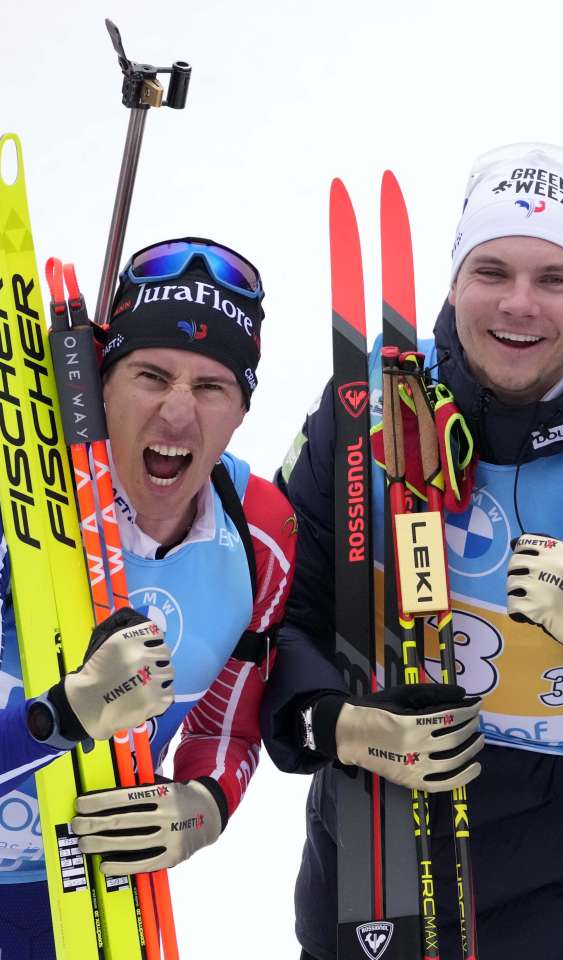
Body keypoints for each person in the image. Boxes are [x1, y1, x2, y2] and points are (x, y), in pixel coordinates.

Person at [262, 143, 563, 960]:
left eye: (555, 279)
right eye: (492, 271)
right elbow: (277, 614)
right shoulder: (361, 408)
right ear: (453, 283)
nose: (519, 304)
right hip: (370, 897)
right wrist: (334, 724)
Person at [0, 238, 298, 956]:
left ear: (240, 412)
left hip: (83, 904)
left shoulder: (259, 529)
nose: (176, 412)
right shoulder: (15, 503)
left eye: (210, 387)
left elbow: (225, 731)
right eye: (151, 375)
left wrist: (201, 808)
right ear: (101, 384)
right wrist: (58, 720)